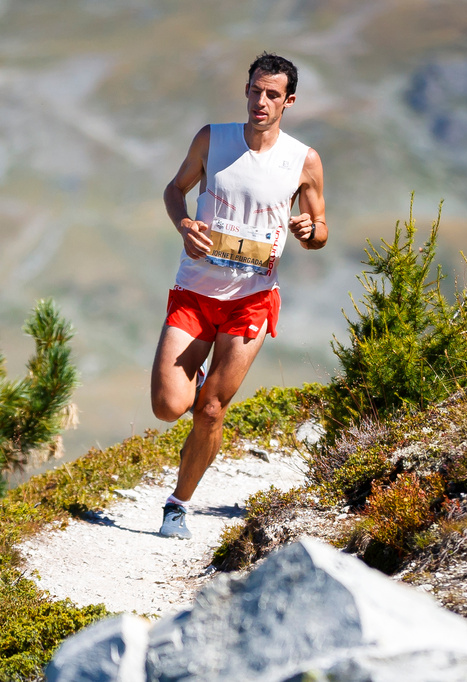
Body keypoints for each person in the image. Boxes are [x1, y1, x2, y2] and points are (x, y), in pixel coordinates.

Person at [150, 52, 328, 539]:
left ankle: (177, 506)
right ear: (246, 90)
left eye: (273, 95)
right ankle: (200, 382)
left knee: (210, 409)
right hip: (195, 291)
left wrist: (309, 230)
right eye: (255, 91)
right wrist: (184, 222)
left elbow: (320, 233)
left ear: (289, 101)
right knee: (168, 405)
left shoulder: (303, 160)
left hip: (251, 298)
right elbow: (174, 189)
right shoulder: (213, 138)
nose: (261, 102)